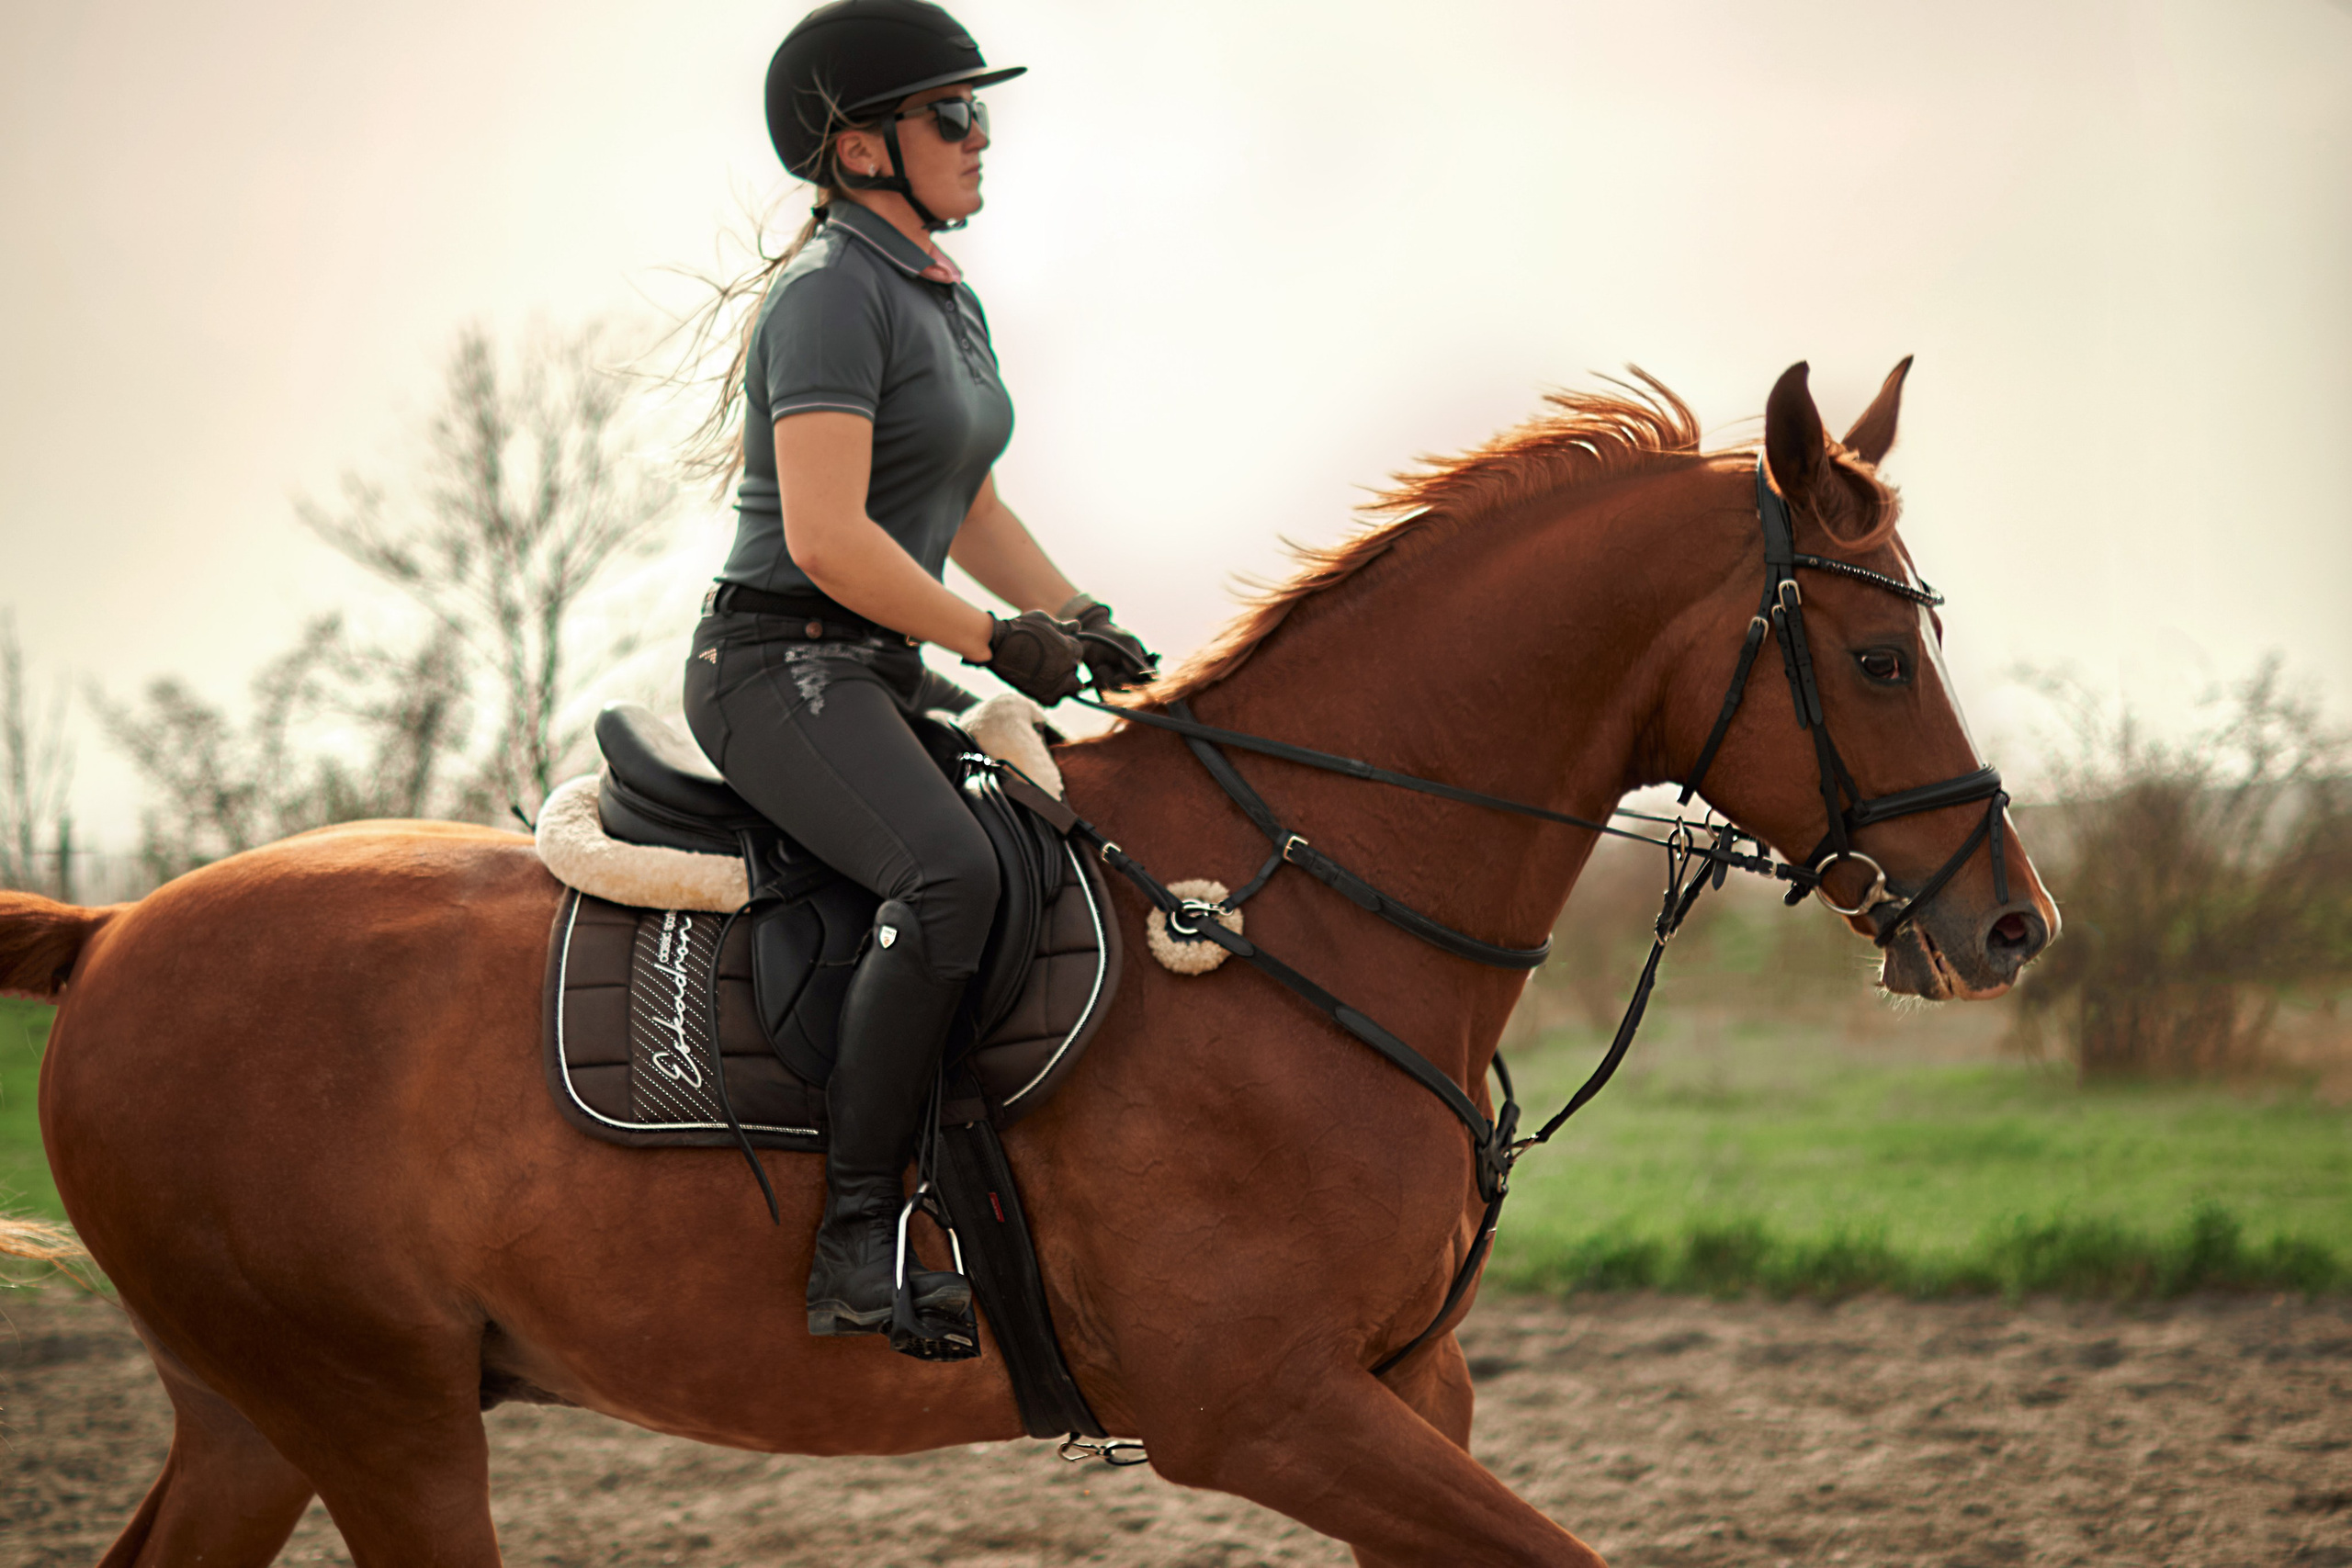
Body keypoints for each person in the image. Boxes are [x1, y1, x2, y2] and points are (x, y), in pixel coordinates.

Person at [679, 0, 1155, 1345]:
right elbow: (829, 542)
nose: (980, 136)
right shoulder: (831, 296)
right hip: (777, 667)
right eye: (953, 114)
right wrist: (996, 640)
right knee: (947, 875)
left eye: (979, 111)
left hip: (874, 668)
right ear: (859, 148)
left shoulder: (942, 296)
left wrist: (1075, 614)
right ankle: (853, 1239)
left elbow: (972, 503)